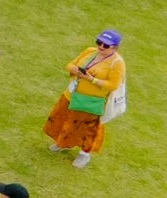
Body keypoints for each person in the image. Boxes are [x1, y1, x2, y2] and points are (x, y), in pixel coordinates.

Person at [44, 28, 125, 167]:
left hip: (90, 101)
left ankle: (84, 155)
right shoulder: (90, 52)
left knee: (87, 128)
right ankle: (63, 143)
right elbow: (70, 64)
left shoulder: (117, 63)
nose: (101, 46)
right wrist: (73, 69)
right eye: (99, 42)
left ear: (115, 48)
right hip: (72, 94)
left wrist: (91, 79)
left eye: (106, 45)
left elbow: (112, 85)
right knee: (65, 119)